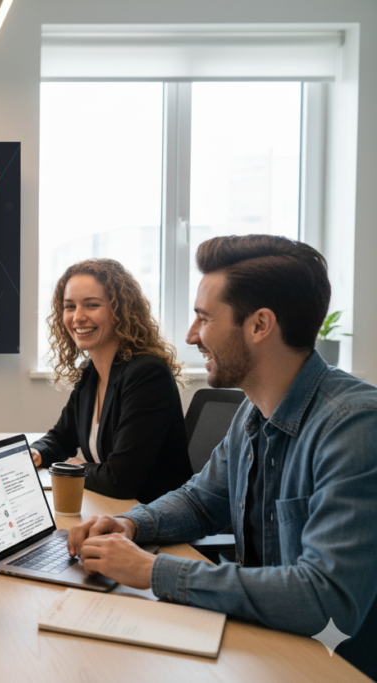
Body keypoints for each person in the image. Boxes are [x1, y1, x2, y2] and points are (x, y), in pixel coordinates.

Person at [68, 235, 377, 678]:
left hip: (331, 664)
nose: (192, 336)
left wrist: (155, 571)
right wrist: (133, 524)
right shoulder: (255, 409)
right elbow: (201, 500)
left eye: (203, 318)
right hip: (267, 642)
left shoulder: (354, 427)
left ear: (259, 325)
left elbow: (325, 598)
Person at [31, 259, 192, 503]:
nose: (78, 317)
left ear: (121, 310)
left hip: (150, 519)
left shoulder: (147, 375)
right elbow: (61, 438)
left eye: (92, 305)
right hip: (112, 510)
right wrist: (37, 452)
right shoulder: (91, 373)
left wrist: (76, 468)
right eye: (70, 306)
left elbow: (120, 481)